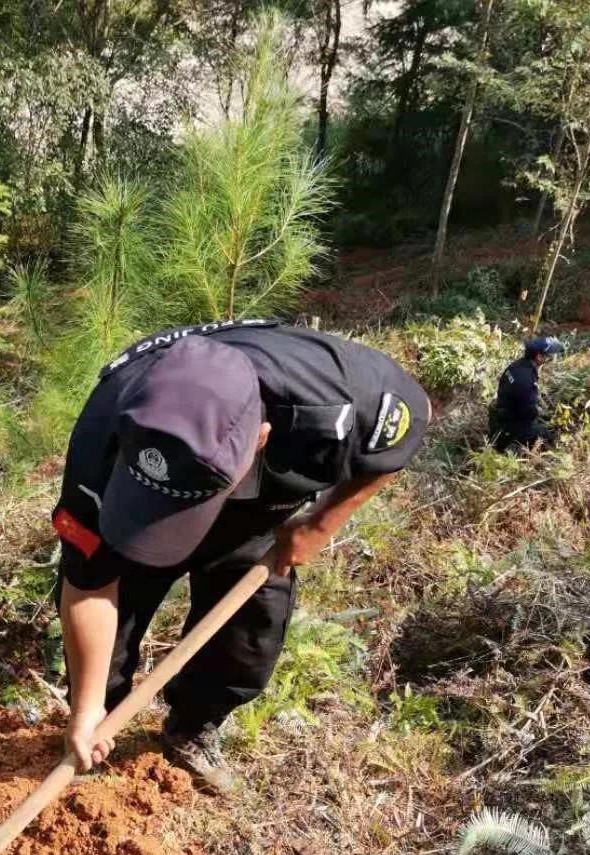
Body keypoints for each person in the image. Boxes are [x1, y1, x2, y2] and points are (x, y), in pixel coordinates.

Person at [51, 319, 431, 790]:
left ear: (261, 437)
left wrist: (320, 524)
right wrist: (87, 708)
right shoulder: (103, 434)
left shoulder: (344, 396)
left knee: (247, 634)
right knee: (111, 630)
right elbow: (88, 586)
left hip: (255, 515)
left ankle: (192, 727)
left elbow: (405, 430)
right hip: (137, 507)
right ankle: (97, 730)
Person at [488, 336, 564, 452]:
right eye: (547, 355)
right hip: (508, 427)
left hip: (500, 414)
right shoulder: (526, 380)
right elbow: (528, 412)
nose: (549, 358)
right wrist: (541, 416)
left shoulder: (516, 366)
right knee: (547, 436)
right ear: (539, 357)